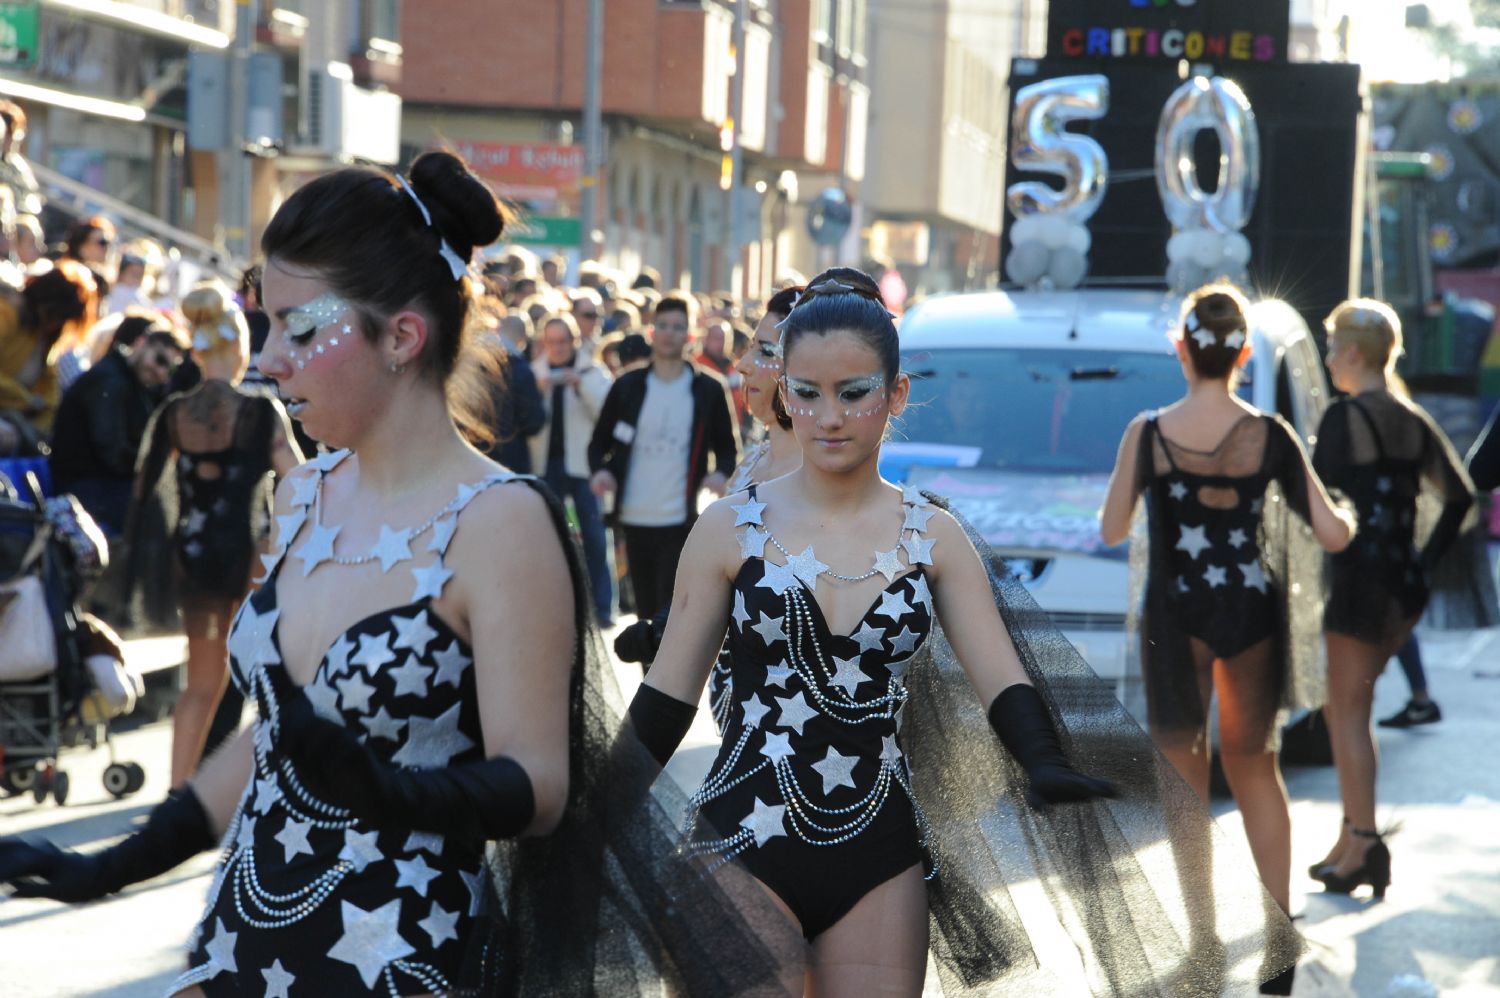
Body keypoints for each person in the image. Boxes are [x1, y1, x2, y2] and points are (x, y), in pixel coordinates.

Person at [620, 269, 1298, 995]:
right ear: (784, 392)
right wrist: (599, 797)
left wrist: (1043, 758)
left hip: (878, 858)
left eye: (854, 393)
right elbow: (668, 698)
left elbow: (1000, 672)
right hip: (738, 841)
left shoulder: (932, 536)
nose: (829, 417)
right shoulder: (730, 527)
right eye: (807, 394)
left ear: (896, 394)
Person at [1099, 284, 1355, 995]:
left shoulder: (1146, 433)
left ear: (1181, 351)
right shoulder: (1270, 434)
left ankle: (1205, 944)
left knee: (1184, 781)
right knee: (1255, 768)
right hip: (1249, 613)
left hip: (1174, 614)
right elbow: (1331, 532)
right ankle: (1279, 945)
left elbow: (1113, 528)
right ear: (1244, 354)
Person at [1309, 298, 1475, 899]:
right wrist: (1423, 565)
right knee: (1351, 709)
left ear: (1353, 353)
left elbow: (1316, 507)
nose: (1327, 359)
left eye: (1331, 348)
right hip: (1402, 585)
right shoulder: (1412, 416)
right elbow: (1458, 495)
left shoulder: (1344, 419)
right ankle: (1352, 838)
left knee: (1347, 714)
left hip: (1358, 583)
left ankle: (1363, 844)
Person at [125, 282, 303, 786]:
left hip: (194, 557)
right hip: (250, 560)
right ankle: (235, 794)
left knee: (200, 684)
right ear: (239, 347)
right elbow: (300, 478)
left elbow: (144, 492)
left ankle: (178, 795)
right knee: (259, 679)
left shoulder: (173, 414)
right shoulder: (259, 412)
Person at [615, 285, 804, 713]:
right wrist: (663, 628)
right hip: (733, 713)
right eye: (749, 350)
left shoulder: (818, 479)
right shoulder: (753, 463)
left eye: (764, 352)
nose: (744, 365)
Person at [588, 291, 739, 621]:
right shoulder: (628, 386)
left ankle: (667, 672)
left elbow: (728, 450)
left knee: (670, 612)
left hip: (681, 518)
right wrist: (600, 471)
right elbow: (598, 443)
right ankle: (649, 671)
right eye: (663, 325)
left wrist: (718, 474)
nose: (670, 333)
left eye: (678, 326)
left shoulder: (709, 389)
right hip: (634, 515)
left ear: (690, 334)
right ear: (652, 331)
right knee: (644, 611)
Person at [49, 317, 188, 536]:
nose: (161, 373)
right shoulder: (110, 380)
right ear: (141, 343)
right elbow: (113, 454)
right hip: (85, 488)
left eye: (169, 371)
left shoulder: (133, 383)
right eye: (160, 360)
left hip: (102, 484)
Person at [531, 312, 615, 625]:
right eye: (552, 342)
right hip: (547, 466)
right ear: (544, 343)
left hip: (581, 466)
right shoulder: (535, 372)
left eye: (563, 341)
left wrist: (580, 386)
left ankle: (603, 607)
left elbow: (606, 412)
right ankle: (553, 606)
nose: (558, 347)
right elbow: (527, 417)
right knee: (549, 537)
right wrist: (538, 390)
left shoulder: (592, 371)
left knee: (594, 536)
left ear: (573, 342)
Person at [0, 259, 99, 448]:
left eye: (63, 319)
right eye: (54, 315)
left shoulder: (46, 339)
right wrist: (26, 400)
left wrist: (35, 429)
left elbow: (50, 398)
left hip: (15, 421)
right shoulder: (7, 314)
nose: (55, 323)